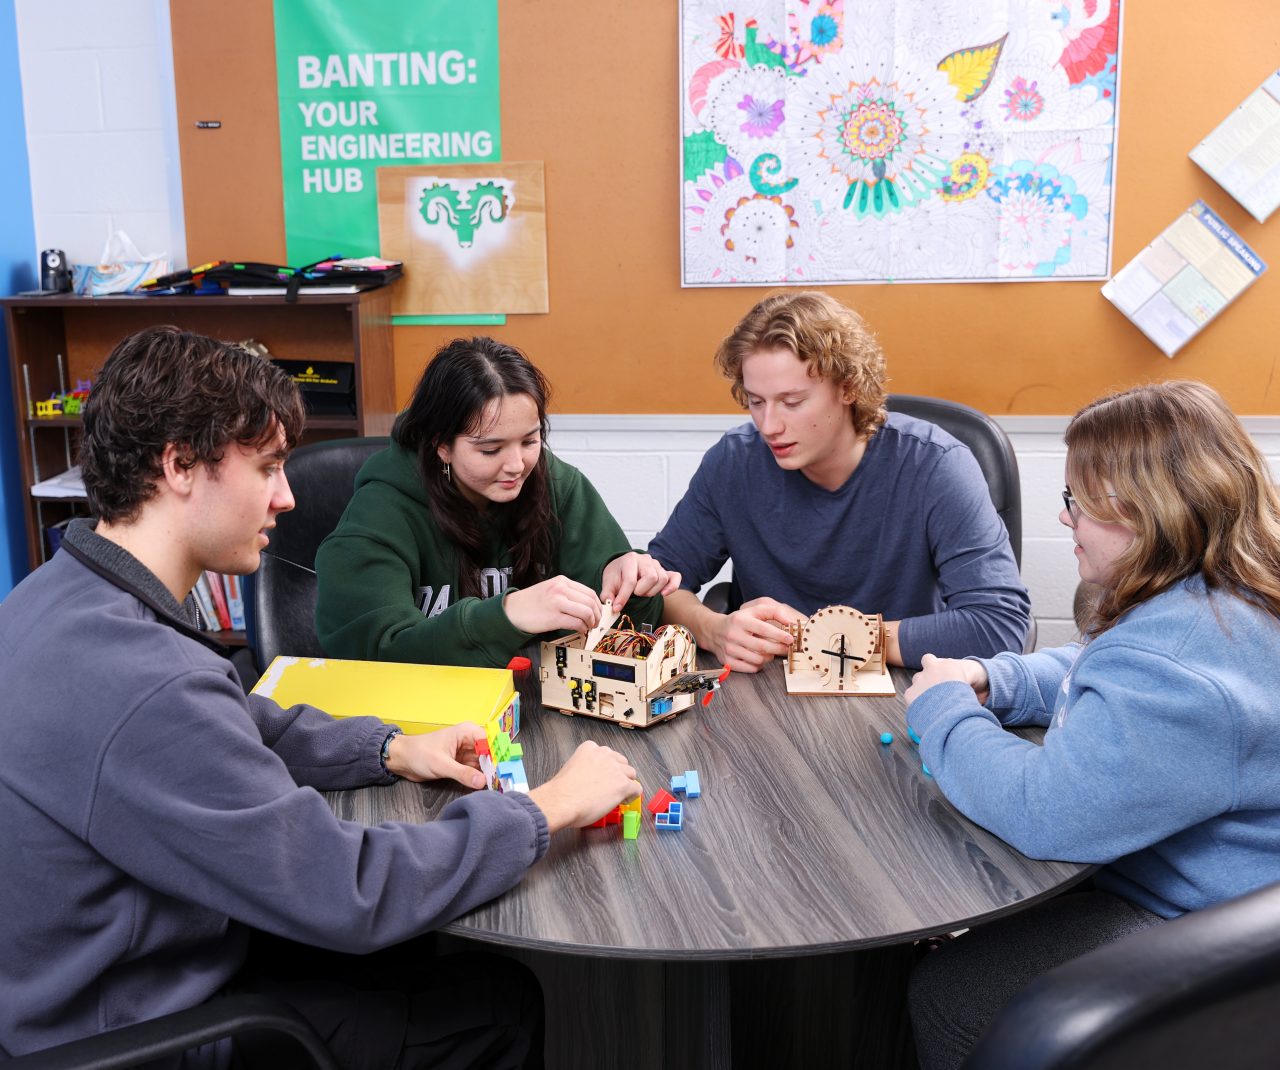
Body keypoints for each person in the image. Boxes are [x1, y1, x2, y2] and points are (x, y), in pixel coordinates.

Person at [0, 326, 644, 1068]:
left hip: (95, 978)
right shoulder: (148, 682)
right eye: (269, 467)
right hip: (137, 1031)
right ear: (179, 465)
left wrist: (388, 747)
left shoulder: (60, 597)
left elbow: (234, 719)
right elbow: (353, 890)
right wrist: (547, 809)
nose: (288, 496)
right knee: (496, 1004)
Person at [902, 380, 1280, 1069]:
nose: (1066, 519)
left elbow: (1044, 809)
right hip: (1233, 897)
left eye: (1078, 503)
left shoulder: (1175, 663)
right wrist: (998, 679)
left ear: (1148, 514)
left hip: (1206, 931)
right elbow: (1101, 672)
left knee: (954, 993)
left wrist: (942, 710)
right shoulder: (1227, 591)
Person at [647, 290, 1030, 672]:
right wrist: (712, 628)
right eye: (756, 401)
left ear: (848, 387)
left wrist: (825, 639)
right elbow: (656, 588)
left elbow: (998, 625)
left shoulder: (936, 465)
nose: (769, 425)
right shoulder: (733, 462)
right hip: (771, 691)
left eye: (792, 402)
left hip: (904, 687)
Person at [316, 336, 677, 667]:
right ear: (442, 445)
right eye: (491, 449)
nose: (517, 466)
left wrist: (628, 580)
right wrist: (507, 614)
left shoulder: (557, 486)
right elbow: (377, 655)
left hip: (535, 710)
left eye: (530, 441)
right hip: (413, 726)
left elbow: (625, 629)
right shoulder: (380, 513)